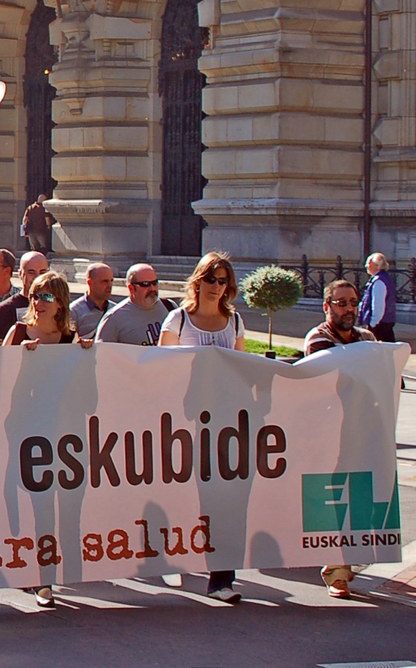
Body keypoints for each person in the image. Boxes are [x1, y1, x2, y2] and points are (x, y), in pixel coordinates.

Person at [158, 251, 245, 604]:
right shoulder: (178, 321)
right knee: (182, 495)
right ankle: (171, 554)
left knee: (222, 500)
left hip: (224, 426)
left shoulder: (235, 323)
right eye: (211, 279)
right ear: (198, 280)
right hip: (184, 423)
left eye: (223, 280)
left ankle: (221, 578)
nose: (217, 287)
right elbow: (160, 372)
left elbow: (243, 369)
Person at [303, 279, 378, 598]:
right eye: (341, 303)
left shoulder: (367, 338)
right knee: (332, 501)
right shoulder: (318, 339)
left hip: (361, 431)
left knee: (359, 498)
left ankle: (347, 563)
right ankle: (336, 572)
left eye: (353, 302)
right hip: (327, 434)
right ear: (327, 306)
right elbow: (331, 379)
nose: (349, 309)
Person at [93, 263, 175, 346]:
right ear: (131, 288)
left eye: (154, 283)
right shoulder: (114, 318)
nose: (152, 288)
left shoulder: (170, 307)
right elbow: (102, 353)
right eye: (145, 284)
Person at [0, 251, 49, 342]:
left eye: (42, 272)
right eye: (31, 272)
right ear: (20, 274)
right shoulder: (4, 310)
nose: (37, 278)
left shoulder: (54, 305)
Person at [359, 252, 398, 342]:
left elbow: (378, 305)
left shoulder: (379, 281)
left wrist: (372, 324)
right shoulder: (383, 278)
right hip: (385, 322)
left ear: (377, 265)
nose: (366, 266)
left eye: (369, 263)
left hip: (380, 325)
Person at [70, 262, 114, 338]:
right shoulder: (74, 311)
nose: (109, 285)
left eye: (111, 281)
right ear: (90, 283)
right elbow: (68, 344)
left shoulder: (116, 310)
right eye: (105, 281)